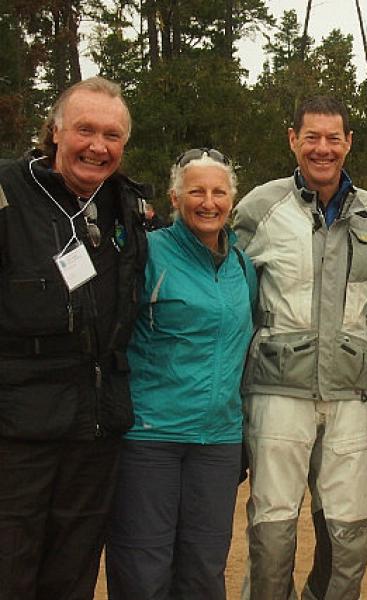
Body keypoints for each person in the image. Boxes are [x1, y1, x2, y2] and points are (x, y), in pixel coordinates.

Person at [233, 95, 367, 600]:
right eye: (312, 137)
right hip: (276, 394)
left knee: (349, 536)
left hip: (347, 396)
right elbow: (228, 294)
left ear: (348, 143)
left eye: (333, 138)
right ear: (293, 140)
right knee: (273, 533)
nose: (322, 149)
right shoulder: (260, 208)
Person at [0, 76, 148, 599]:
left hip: (95, 426)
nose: (98, 146)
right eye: (85, 129)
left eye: (112, 135)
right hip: (17, 432)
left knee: (74, 571)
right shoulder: (8, 194)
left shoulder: (123, 206)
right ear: (55, 132)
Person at [104, 148, 257, 599]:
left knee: (204, 568)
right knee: (143, 567)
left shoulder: (242, 266)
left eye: (218, 192)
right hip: (151, 438)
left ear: (232, 200)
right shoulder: (147, 254)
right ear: (175, 197)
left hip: (218, 442)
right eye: (196, 191)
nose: (208, 202)